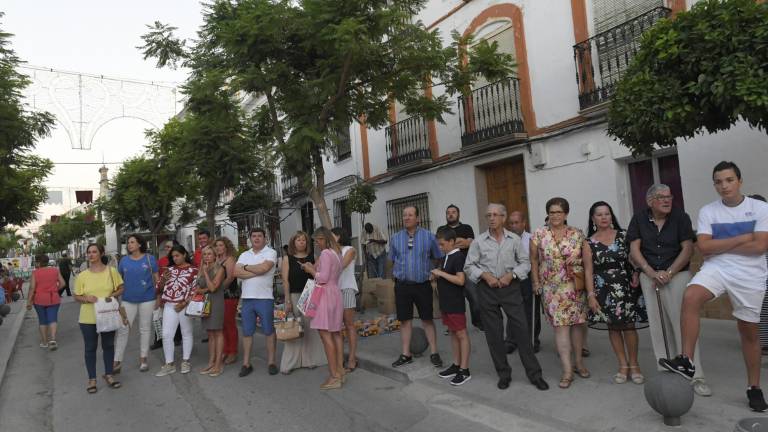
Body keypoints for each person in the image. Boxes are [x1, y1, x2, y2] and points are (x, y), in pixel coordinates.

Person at [660, 162, 768, 412]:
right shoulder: (708, 211)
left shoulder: (761, 208)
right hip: (717, 268)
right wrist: (744, 237)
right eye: (719, 182)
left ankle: (754, 387)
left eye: (729, 180)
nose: (724, 186)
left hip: (751, 274)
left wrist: (721, 244)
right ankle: (686, 361)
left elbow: (761, 247)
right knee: (691, 296)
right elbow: (704, 248)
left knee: (749, 333)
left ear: (739, 181)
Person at [627, 184, 712, 397]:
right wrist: (650, 271)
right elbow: (634, 249)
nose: (667, 200)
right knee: (658, 325)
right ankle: (666, 370)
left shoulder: (680, 217)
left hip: (677, 274)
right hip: (650, 276)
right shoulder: (638, 219)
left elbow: (688, 248)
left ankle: (696, 375)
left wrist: (669, 272)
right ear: (649, 201)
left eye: (669, 196)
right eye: (661, 197)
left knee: (682, 324)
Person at [465, 203, 549, 391]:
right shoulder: (478, 241)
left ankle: (535, 374)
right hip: (487, 290)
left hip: (511, 288)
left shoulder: (514, 240)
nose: (492, 218)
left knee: (521, 330)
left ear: (503, 218)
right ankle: (503, 374)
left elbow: (525, 262)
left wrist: (511, 275)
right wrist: (485, 276)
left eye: (496, 215)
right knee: (494, 335)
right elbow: (469, 266)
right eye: (489, 215)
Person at [583, 201, 648, 385]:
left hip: (626, 287)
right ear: (593, 218)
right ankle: (623, 365)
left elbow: (634, 259)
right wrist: (590, 295)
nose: (604, 217)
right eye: (599, 214)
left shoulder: (624, 235)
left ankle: (634, 364)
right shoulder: (588, 242)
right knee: (613, 327)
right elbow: (588, 270)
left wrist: (636, 273)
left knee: (629, 326)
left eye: (607, 213)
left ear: (611, 216)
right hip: (603, 289)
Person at [530, 197, 587, 389]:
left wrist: (576, 259)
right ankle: (567, 370)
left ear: (566, 214)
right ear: (548, 214)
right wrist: (536, 282)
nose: (555, 216)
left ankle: (579, 362)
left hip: (574, 286)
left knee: (578, 325)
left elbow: (586, 259)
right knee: (561, 328)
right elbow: (534, 260)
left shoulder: (577, 233)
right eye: (552, 212)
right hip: (552, 288)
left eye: (559, 212)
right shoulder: (539, 233)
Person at [389, 206, 443, 368]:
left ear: (418, 218)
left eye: (410, 215)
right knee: (405, 320)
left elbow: (438, 257)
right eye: (404, 215)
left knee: (427, 319)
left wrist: (433, 272)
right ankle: (406, 354)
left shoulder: (429, 237)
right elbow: (391, 259)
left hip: (422, 285)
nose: (406, 218)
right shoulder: (395, 238)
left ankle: (434, 352)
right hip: (402, 286)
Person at [74, 243, 124, 393]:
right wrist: (86, 298)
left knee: (108, 346)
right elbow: (76, 295)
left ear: (101, 254)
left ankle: (109, 374)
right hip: (88, 318)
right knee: (90, 348)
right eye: (89, 252)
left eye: (94, 252)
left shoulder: (112, 271)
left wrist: (111, 296)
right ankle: (92, 379)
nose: (91, 255)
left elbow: (121, 288)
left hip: (108, 315)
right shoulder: (82, 276)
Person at [300, 227, 345, 389]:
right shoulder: (337, 253)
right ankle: (340, 371)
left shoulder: (326, 253)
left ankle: (334, 376)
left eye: (318, 239)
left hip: (325, 294)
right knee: (336, 333)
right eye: (315, 240)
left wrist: (310, 269)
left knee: (326, 337)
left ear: (325, 238)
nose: (317, 243)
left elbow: (323, 278)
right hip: (335, 294)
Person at [234, 228, 279, 377]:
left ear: (265, 238)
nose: (257, 238)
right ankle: (246, 363)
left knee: (268, 331)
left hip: (265, 298)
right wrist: (256, 271)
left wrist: (245, 268)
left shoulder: (270, 252)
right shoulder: (244, 254)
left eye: (260, 236)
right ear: (250, 239)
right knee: (247, 332)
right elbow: (236, 272)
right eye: (254, 236)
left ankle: (271, 362)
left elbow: (264, 268)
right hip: (247, 298)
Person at [280, 231, 326, 374]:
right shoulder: (287, 259)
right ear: (293, 242)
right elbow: (285, 280)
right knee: (294, 327)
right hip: (294, 295)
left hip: (310, 294)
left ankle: (310, 360)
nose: (301, 242)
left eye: (304, 240)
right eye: (298, 240)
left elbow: (318, 276)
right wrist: (287, 300)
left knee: (310, 328)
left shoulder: (313, 257)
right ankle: (290, 363)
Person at [114, 234, 159, 373]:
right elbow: (118, 280)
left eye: (132, 242)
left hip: (148, 298)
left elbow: (157, 280)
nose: (129, 245)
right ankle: (117, 360)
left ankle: (143, 358)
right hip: (128, 299)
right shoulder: (124, 261)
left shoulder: (150, 259)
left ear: (140, 244)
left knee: (145, 329)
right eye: (128, 243)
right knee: (123, 329)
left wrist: (159, 297)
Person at [432, 228, 471, 386]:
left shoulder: (458, 257)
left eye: (442, 244)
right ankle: (456, 365)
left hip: (455, 303)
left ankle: (465, 369)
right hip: (446, 302)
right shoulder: (446, 257)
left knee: (461, 334)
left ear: (451, 242)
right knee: (453, 334)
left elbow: (461, 280)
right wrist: (436, 275)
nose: (440, 247)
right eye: (438, 244)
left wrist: (440, 274)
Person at [436, 205, 482, 331]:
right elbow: (442, 245)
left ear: (458, 214)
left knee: (474, 297)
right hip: (448, 269)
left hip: (466, 268)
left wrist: (458, 243)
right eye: (448, 213)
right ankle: (451, 325)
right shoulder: (441, 229)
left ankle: (477, 322)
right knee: (450, 298)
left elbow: (470, 243)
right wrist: (461, 242)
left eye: (453, 212)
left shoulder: (467, 228)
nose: (450, 214)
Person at [155, 245, 198, 377]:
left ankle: (186, 361)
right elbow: (158, 289)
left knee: (186, 333)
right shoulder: (169, 270)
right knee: (167, 334)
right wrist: (163, 280)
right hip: (169, 305)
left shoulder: (194, 270)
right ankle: (169, 364)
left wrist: (184, 302)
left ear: (184, 254)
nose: (175, 258)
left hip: (185, 305)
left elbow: (195, 289)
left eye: (177, 255)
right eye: (173, 256)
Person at [505, 210, 541, 353]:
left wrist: (535, 281)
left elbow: (536, 261)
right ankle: (511, 340)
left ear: (524, 223)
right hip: (511, 279)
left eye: (516, 222)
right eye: (511, 223)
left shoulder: (531, 239)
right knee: (512, 311)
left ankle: (532, 340)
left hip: (528, 279)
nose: (513, 226)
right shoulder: (506, 240)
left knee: (531, 311)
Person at [331, 227, 359, 372]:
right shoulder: (330, 252)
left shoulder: (350, 249)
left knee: (349, 325)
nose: (330, 238)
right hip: (333, 290)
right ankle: (340, 359)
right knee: (336, 326)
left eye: (332, 236)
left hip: (346, 289)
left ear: (340, 236)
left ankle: (352, 358)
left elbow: (342, 265)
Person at [196, 245, 226, 376]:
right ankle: (211, 362)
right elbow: (198, 287)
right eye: (204, 254)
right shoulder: (201, 268)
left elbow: (213, 288)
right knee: (210, 334)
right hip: (205, 303)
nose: (207, 256)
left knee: (218, 332)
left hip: (216, 302)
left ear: (215, 256)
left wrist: (206, 273)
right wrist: (203, 289)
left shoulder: (220, 269)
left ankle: (218, 364)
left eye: (209, 254)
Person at [27, 254, 66, 350]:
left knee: (42, 321)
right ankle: (52, 340)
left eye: (36, 261)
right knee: (52, 319)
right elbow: (63, 283)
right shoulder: (55, 270)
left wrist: (29, 301)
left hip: (39, 299)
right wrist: (55, 289)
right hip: (53, 298)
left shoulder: (35, 273)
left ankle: (44, 342)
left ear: (39, 262)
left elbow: (32, 288)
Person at [214, 237, 240, 366]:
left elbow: (230, 278)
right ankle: (225, 349)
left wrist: (218, 290)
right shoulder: (216, 260)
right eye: (217, 245)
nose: (218, 248)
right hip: (218, 296)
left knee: (229, 323)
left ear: (226, 247)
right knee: (221, 324)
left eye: (221, 245)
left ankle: (233, 351)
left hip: (229, 295)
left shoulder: (230, 259)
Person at [150, 240, 179, 351]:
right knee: (158, 317)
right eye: (166, 247)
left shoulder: (178, 261)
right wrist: (159, 296)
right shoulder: (161, 261)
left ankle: (176, 338)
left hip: (175, 294)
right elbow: (157, 278)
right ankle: (158, 340)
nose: (166, 249)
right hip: (163, 292)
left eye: (168, 247)